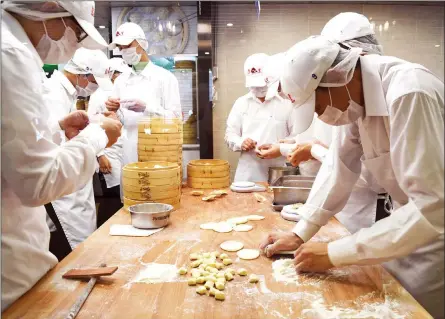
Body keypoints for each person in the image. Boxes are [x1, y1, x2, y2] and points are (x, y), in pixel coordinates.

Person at [260, 35, 444, 318]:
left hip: (434, 242)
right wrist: (300, 233)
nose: (321, 116)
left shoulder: (409, 92)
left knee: (415, 311)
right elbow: (339, 169)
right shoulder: (356, 103)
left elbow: (433, 207)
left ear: (336, 78)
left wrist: (334, 253)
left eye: (318, 106)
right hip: (404, 228)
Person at [1, 1, 122, 310]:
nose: (74, 42)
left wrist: (57, 129)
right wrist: (97, 137)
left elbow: (11, 142)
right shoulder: (9, 54)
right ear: (49, 10)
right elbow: (38, 183)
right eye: (76, 31)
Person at [259, 12, 383, 233]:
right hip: (330, 203)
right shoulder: (344, 104)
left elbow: (364, 175)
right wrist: (302, 233)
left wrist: (315, 150)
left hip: (361, 210)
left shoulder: (402, 94)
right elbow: (338, 161)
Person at [43, 47, 113, 260]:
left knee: (76, 247)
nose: (93, 88)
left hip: (70, 183)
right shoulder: (52, 94)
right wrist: (99, 131)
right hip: (61, 190)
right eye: (93, 81)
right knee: (71, 249)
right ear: (83, 74)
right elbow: (54, 148)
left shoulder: (66, 93)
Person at [105, 22, 182, 168]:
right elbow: (120, 122)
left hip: (159, 151)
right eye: (120, 48)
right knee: (131, 188)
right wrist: (114, 111)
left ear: (142, 43)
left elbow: (176, 119)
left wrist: (147, 108)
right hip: (128, 152)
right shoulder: (120, 81)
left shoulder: (165, 78)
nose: (123, 51)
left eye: (127, 46)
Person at [224, 53, 301, 182]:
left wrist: (278, 149)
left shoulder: (286, 102)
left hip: (279, 173)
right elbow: (230, 135)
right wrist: (241, 142)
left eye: (262, 85)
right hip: (247, 175)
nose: (259, 89)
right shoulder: (241, 103)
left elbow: (297, 137)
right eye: (255, 86)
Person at [88, 58, 131, 226]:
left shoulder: (124, 94)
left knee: (124, 194)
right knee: (112, 196)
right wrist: (100, 155)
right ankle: (105, 230)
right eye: (118, 74)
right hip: (108, 152)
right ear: (111, 75)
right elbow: (90, 126)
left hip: (124, 151)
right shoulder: (98, 95)